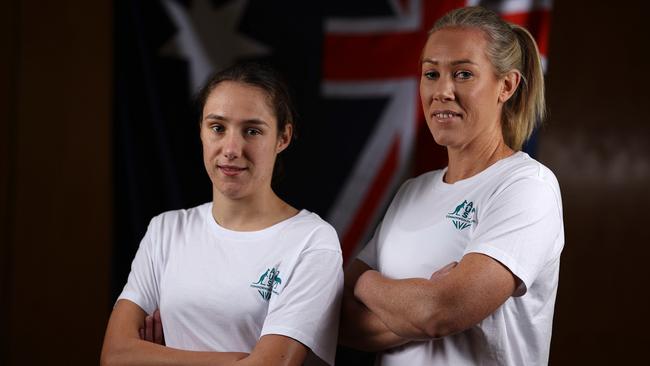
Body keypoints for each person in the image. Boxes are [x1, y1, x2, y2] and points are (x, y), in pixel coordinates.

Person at [338, 6, 564, 366]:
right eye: (431, 73)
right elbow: (343, 323)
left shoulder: (526, 187)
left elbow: (438, 313)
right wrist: (427, 305)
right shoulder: (411, 191)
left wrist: (368, 283)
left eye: (463, 74)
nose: (442, 91)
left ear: (506, 85)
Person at [101, 62, 343, 366]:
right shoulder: (166, 230)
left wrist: (154, 358)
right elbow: (115, 355)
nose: (231, 148)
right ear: (201, 131)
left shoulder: (311, 240)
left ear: (283, 137)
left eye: (252, 131)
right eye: (217, 127)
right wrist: (241, 359)